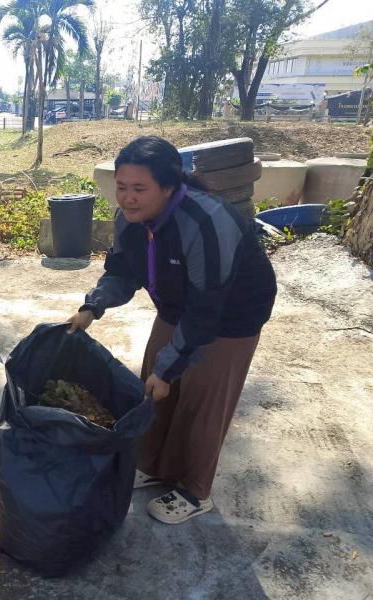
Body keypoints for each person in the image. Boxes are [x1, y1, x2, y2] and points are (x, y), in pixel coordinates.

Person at [67, 136, 277, 524]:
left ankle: (196, 490)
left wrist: (170, 368)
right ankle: (156, 466)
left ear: (168, 187)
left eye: (139, 189)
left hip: (232, 314)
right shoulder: (128, 220)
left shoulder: (207, 222)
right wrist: (91, 308)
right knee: (153, 387)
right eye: (122, 188)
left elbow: (206, 309)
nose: (128, 198)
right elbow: (121, 272)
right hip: (178, 305)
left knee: (202, 397)